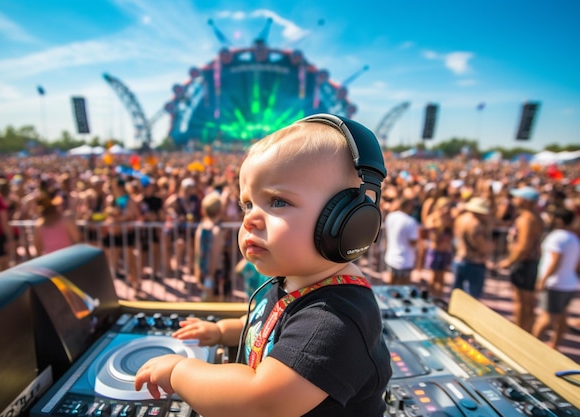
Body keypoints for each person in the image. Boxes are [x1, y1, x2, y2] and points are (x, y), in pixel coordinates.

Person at [134, 114, 392, 416]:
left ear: (350, 224)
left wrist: (180, 372)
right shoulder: (294, 279)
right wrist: (223, 331)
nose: (250, 219)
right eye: (248, 204)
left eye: (278, 201)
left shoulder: (332, 320)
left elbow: (261, 401)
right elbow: (268, 331)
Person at [532, 207, 580, 349]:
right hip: (569, 283)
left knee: (546, 317)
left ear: (558, 220)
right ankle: (555, 345)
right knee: (561, 316)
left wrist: (543, 280)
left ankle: (530, 347)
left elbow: (555, 261)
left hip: (555, 284)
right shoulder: (573, 237)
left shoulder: (557, 237)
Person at [498, 186, 545, 331]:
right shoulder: (535, 217)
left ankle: (520, 331)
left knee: (522, 301)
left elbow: (523, 246)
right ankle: (526, 329)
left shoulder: (526, 219)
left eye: (517, 197)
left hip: (524, 263)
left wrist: (510, 261)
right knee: (527, 301)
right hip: (529, 263)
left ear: (526, 201)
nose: (514, 200)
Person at [451, 196, 493, 299]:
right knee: (471, 299)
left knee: (457, 296)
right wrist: (491, 246)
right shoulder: (476, 225)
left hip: (459, 259)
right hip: (474, 262)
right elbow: (482, 246)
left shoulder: (460, 219)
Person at [193, 191, 227, 301]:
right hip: (213, 273)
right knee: (215, 301)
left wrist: (198, 271)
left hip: (204, 270)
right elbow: (215, 255)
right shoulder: (217, 230)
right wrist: (210, 277)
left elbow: (197, 252)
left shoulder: (201, 227)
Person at [383, 197, 420, 285]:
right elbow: (413, 242)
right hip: (405, 261)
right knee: (403, 289)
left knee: (390, 286)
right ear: (407, 206)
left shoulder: (391, 216)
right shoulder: (411, 222)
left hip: (391, 257)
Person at [423, 196, 455, 298]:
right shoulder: (433, 218)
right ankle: (432, 297)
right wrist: (441, 221)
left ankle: (439, 297)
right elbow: (433, 234)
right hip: (435, 251)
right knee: (433, 278)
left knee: (442, 278)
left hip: (445, 251)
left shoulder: (450, 219)